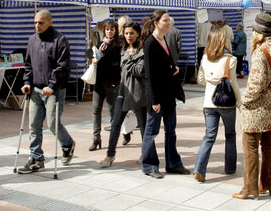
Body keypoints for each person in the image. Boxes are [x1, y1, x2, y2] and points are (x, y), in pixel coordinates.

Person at [233, 12, 271, 200]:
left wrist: (244, 100)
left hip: (257, 109)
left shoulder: (260, 51)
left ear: (258, 32)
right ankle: (267, 185)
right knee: (269, 146)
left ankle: (250, 188)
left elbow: (256, 83)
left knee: (250, 147)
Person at [17, 10, 75, 174]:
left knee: (52, 123)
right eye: (35, 22)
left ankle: (67, 144)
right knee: (34, 125)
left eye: (41, 22)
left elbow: (62, 67)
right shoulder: (32, 40)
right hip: (35, 89)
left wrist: (51, 85)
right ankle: (36, 158)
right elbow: (28, 64)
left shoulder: (59, 40)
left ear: (50, 22)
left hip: (54, 90)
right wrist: (27, 82)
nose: (37, 26)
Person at [140, 10, 189, 179]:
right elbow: (150, 74)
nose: (169, 23)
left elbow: (165, 65)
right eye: (166, 20)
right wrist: (154, 100)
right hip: (157, 95)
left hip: (168, 94)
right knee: (151, 132)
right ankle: (149, 166)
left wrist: (174, 68)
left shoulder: (163, 39)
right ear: (156, 23)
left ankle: (173, 164)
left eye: (169, 20)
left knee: (171, 131)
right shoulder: (150, 43)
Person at [193, 27, 241, 183]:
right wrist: (239, 103)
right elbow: (233, 84)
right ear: (223, 41)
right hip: (226, 103)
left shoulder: (205, 58)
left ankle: (199, 169)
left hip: (208, 102)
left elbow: (200, 79)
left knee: (209, 136)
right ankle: (230, 167)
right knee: (230, 134)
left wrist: (212, 83)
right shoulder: (230, 60)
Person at [100, 21, 147, 167]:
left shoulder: (143, 50)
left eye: (132, 33)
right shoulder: (122, 49)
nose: (128, 36)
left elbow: (140, 70)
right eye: (126, 33)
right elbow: (120, 68)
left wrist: (127, 60)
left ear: (138, 33)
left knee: (144, 126)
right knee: (115, 124)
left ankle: (145, 153)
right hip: (123, 90)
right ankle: (110, 155)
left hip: (139, 92)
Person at [89, 19, 121, 151]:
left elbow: (116, 65)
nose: (109, 32)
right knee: (96, 110)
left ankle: (121, 134)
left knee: (113, 112)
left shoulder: (118, 45)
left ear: (115, 31)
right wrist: (93, 58)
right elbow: (92, 53)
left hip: (111, 83)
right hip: (99, 82)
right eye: (107, 30)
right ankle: (96, 138)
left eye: (112, 29)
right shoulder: (101, 43)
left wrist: (100, 60)